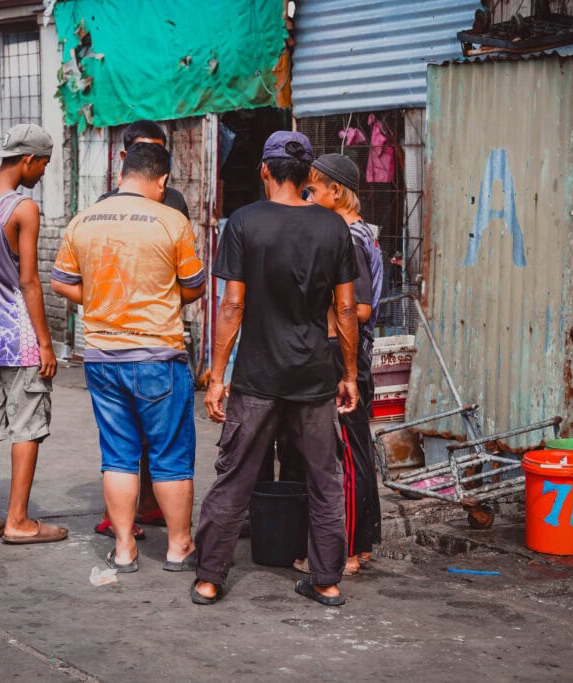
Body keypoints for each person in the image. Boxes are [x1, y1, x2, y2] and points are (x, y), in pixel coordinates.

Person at [192, 131, 359, 607]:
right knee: (324, 480)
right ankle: (326, 580)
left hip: (258, 375)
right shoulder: (334, 228)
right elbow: (345, 310)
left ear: (264, 169)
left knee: (234, 476)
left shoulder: (244, 223)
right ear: (309, 175)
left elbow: (232, 306)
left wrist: (216, 376)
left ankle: (209, 579)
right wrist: (348, 374)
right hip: (313, 376)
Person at [51, 142, 205, 573]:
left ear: (122, 175)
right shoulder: (171, 220)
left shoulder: (83, 220)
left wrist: (102, 301)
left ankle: (123, 549)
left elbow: (61, 282)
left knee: (117, 454)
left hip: (103, 357)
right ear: (162, 180)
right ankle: (178, 547)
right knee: (170, 455)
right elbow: (194, 287)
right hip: (159, 356)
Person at [0, 123, 67, 545]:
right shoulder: (23, 208)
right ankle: (19, 521)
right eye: (43, 165)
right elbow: (29, 282)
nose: (42, 174)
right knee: (27, 426)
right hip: (17, 339)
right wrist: (44, 341)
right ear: (28, 160)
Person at [93, 119, 190, 540]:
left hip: (144, 343)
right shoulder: (102, 207)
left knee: (143, 444)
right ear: (124, 157)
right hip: (128, 344)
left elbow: (181, 276)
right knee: (128, 444)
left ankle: (143, 520)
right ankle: (146, 529)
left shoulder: (175, 204)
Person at [305, 153, 384, 575]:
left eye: (313, 190)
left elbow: (362, 308)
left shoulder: (349, 237)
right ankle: (363, 543)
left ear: (336, 192)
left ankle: (348, 552)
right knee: (356, 450)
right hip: (352, 351)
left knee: (346, 457)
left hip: (346, 353)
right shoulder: (360, 234)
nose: (308, 197)